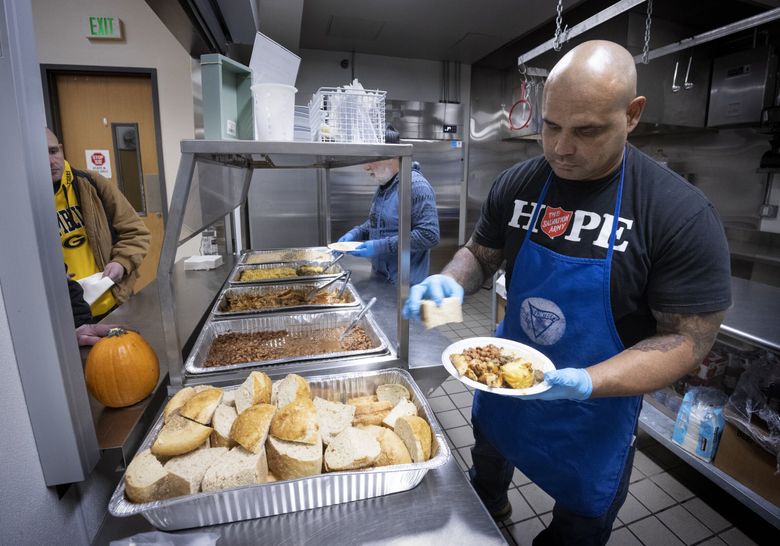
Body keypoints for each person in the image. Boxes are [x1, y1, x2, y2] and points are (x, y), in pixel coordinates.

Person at [403, 40, 731, 545]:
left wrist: (584, 381)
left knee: (576, 528)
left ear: (633, 115)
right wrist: (450, 282)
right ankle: (491, 511)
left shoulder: (677, 213)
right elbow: (481, 254)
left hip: (592, 407)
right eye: (550, 126)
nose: (560, 147)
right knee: (484, 480)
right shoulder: (518, 184)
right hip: (504, 390)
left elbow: (690, 340)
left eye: (586, 130)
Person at [48, 128, 151, 320]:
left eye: (53, 151)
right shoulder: (22, 206)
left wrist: (122, 262)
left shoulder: (91, 183)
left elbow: (136, 232)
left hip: (114, 304)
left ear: (61, 149)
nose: (50, 160)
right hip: (65, 316)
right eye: (41, 154)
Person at [337, 125, 440, 284]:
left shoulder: (416, 186)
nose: (366, 167)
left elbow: (429, 235)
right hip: (383, 281)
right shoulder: (385, 186)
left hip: (406, 287)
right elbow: (379, 222)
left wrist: (380, 246)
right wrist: (356, 233)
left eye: (371, 160)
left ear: (392, 156)